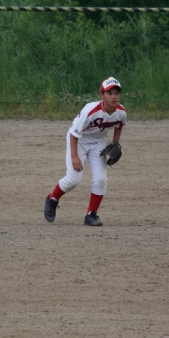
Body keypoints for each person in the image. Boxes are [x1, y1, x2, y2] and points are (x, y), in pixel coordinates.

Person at [43, 77, 127, 226]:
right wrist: (74, 156)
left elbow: (119, 125)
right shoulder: (91, 110)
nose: (114, 96)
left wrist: (116, 143)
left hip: (98, 143)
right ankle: (52, 199)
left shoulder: (121, 112)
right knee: (73, 179)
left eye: (116, 93)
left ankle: (91, 214)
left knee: (100, 179)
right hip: (79, 140)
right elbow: (73, 134)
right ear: (102, 95)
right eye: (109, 93)